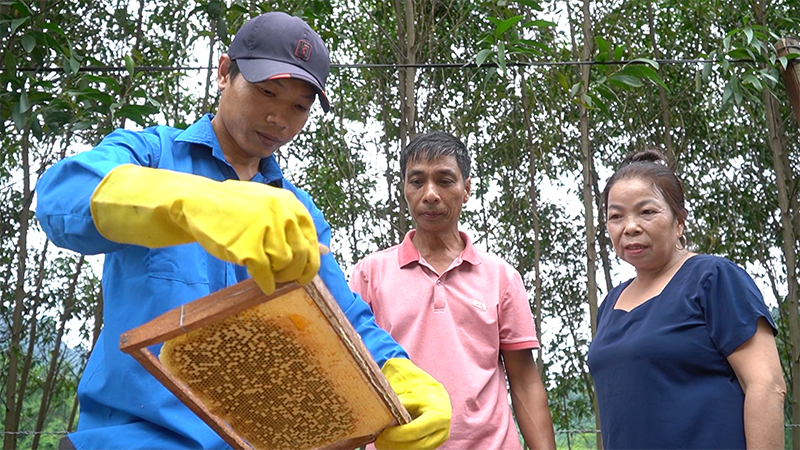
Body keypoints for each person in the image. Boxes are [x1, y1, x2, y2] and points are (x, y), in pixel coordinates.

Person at [36, 12, 450, 450]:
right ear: (223, 72)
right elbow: (62, 197)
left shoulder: (299, 212)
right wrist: (190, 203)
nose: (279, 119)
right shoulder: (152, 154)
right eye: (267, 91)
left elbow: (340, 316)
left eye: (298, 107)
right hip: (132, 441)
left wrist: (397, 373)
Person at [348, 131, 557, 450]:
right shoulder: (370, 274)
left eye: (445, 181)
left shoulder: (500, 276)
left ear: (467, 189)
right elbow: (350, 375)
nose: (430, 194)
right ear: (404, 188)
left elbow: (525, 381)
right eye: (417, 181)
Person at [586, 149, 786, 450]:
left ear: (679, 221)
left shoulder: (714, 279)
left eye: (647, 211)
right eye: (616, 216)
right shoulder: (610, 304)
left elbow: (766, 385)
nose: (630, 226)